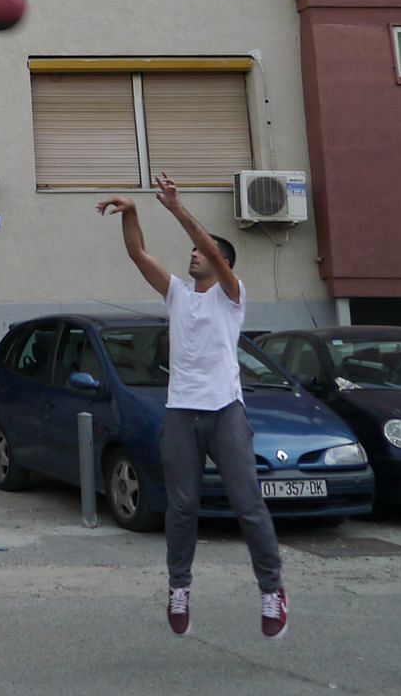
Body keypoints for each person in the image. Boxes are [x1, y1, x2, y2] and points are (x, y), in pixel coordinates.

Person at [99, 174, 288, 641]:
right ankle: (179, 587)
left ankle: (272, 590)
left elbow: (207, 245)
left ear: (223, 263)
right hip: (182, 412)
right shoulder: (178, 295)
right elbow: (138, 255)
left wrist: (177, 209)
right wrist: (134, 212)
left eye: (203, 251)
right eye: (193, 252)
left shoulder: (232, 296)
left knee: (248, 505)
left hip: (225, 411)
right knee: (181, 508)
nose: (193, 254)